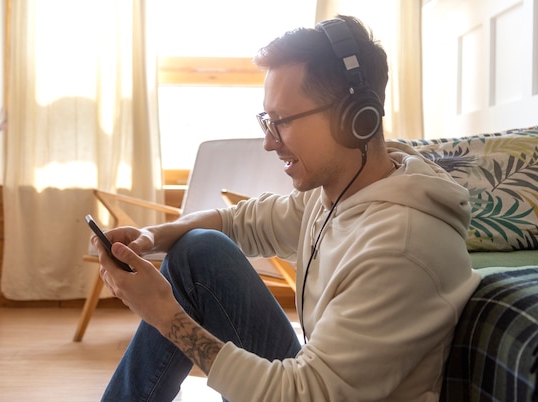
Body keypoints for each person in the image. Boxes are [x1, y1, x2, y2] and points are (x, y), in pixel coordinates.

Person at [94, 15, 481, 401]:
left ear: (354, 118)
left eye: (281, 121)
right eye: (267, 120)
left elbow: (300, 394)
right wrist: (152, 236)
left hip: (308, 395)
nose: (268, 142)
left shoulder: (399, 249)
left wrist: (164, 314)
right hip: (318, 384)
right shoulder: (340, 192)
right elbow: (242, 221)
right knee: (199, 251)